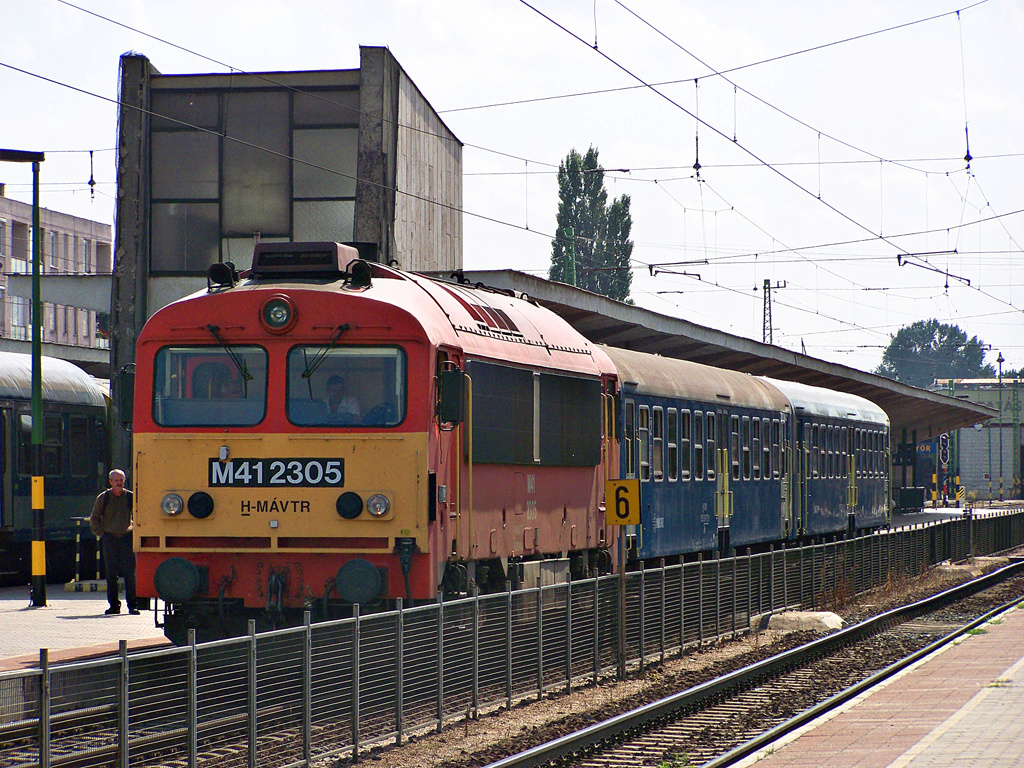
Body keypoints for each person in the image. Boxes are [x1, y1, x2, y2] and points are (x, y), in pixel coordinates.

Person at [89, 469, 139, 615]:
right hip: (109, 537)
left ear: (124, 481)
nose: (119, 483)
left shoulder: (130, 497)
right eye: (116, 480)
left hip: (126, 537)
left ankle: (133, 605)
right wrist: (102, 534)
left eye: (121, 480)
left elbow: (139, 515)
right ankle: (114, 606)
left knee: (130, 574)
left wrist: (135, 531)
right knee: (111, 573)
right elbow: (94, 518)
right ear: (110, 482)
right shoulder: (103, 498)